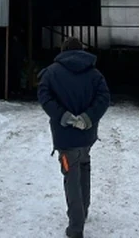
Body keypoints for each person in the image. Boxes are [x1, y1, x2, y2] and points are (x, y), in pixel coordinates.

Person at [37, 37, 111, 238]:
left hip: (65, 137)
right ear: (82, 51)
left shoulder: (51, 73)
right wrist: (88, 118)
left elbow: (44, 97)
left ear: (62, 51)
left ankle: (76, 227)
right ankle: (83, 211)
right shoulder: (95, 74)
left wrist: (63, 116)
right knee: (84, 168)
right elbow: (104, 98)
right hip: (87, 135)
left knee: (71, 177)